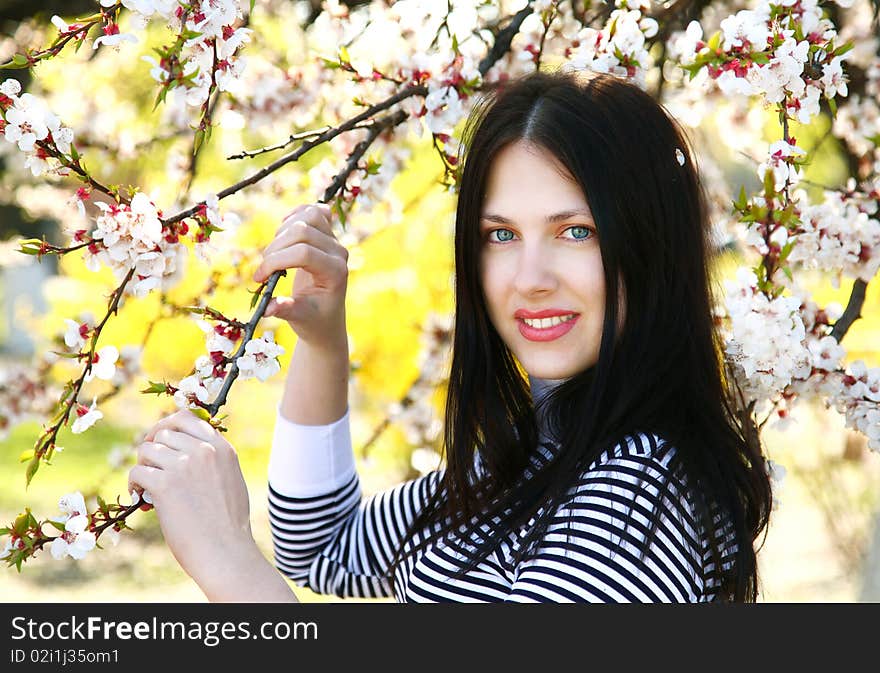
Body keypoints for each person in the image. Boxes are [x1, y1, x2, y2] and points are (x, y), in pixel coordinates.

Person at [129, 69, 773, 603]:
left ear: (652, 246)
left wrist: (227, 560)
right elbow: (322, 547)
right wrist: (324, 342)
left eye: (576, 231)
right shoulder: (531, 457)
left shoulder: (635, 491)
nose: (530, 278)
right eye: (501, 235)